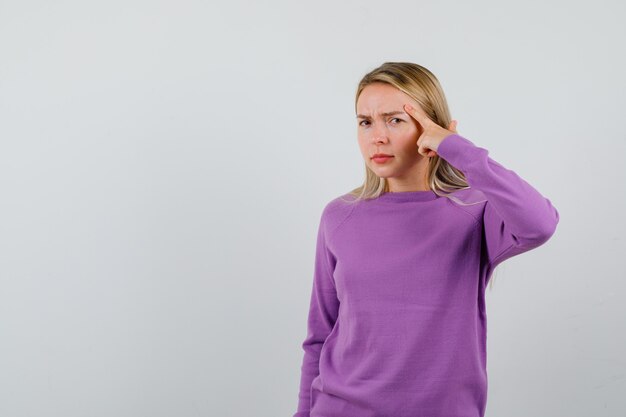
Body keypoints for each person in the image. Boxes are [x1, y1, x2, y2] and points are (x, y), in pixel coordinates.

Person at [292, 62, 559, 417]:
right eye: (365, 122)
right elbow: (320, 336)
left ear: (430, 128)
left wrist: (458, 150)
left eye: (395, 119)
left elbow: (539, 223)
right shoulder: (339, 216)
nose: (377, 137)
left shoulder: (473, 211)